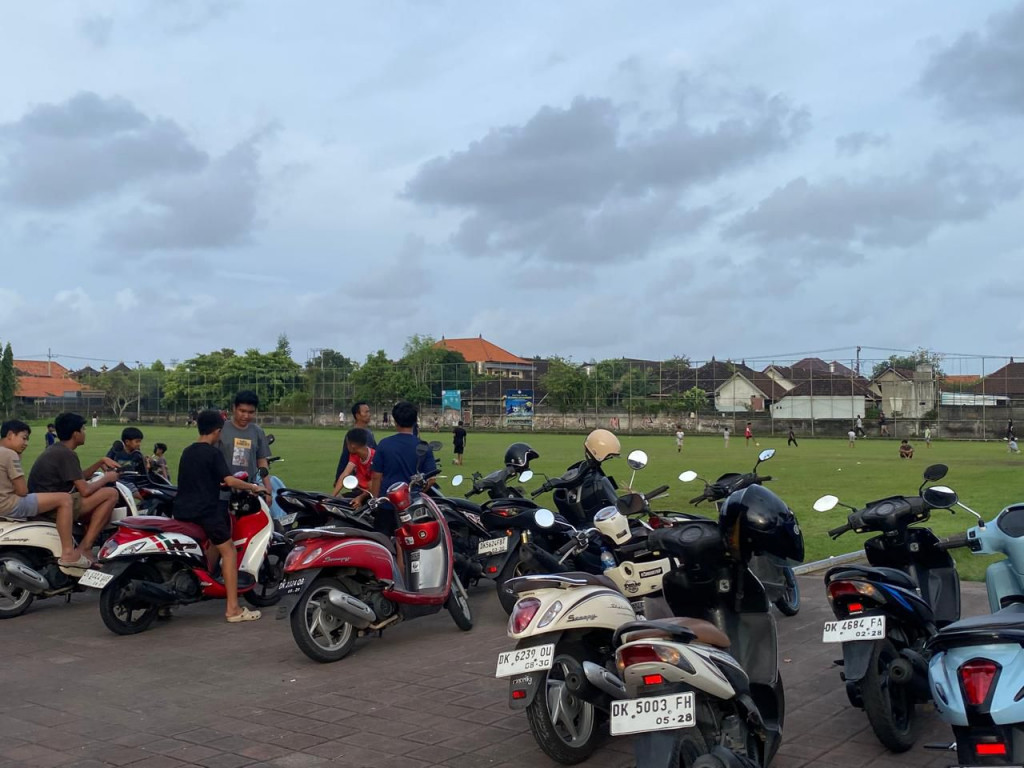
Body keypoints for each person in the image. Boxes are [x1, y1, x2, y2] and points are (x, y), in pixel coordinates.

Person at [173, 410, 263, 623]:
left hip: (182, 510)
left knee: (209, 546)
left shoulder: (188, 451)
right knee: (229, 551)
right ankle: (233, 609)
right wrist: (253, 487)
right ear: (217, 431)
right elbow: (230, 480)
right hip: (206, 512)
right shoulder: (213, 453)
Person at [27, 412, 118, 567]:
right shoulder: (66, 454)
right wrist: (107, 478)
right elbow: (85, 490)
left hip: (44, 503)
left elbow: (78, 476)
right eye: (83, 429)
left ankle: (84, 545)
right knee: (111, 494)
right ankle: (85, 548)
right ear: (75, 434)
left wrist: (100, 462)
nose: (85, 432)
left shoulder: (58, 449)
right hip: (53, 507)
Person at [0, 420, 80, 566]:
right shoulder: (9, 454)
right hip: (10, 505)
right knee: (65, 499)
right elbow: (22, 491)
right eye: (24, 438)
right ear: (10, 435)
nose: (26, 443)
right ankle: (68, 552)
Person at [370, 401, 436, 536]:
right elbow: (431, 479)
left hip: (387, 503)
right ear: (415, 421)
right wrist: (417, 491)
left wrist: (375, 500)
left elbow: (376, 476)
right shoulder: (423, 446)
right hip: (413, 504)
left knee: (384, 540)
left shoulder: (384, 444)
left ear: (395, 421)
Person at [218, 391, 273, 499]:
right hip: (222, 494)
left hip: (250, 492)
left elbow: (261, 461)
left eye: (251, 412)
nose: (246, 416)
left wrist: (268, 489)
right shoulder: (220, 429)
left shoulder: (257, 432)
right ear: (234, 408)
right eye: (242, 411)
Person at [335, 401, 378, 483]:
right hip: (359, 478)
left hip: (371, 476)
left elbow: (375, 451)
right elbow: (345, 456)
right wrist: (338, 478)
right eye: (366, 412)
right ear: (357, 415)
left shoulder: (369, 432)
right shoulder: (353, 434)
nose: (369, 414)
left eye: (369, 412)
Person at [332, 428, 375, 502]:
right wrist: (332, 497)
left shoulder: (375, 458)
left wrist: (360, 498)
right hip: (361, 491)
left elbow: (374, 484)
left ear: (352, 445)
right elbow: (345, 474)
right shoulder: (355, 455)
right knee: (337, 501)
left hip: (372, 493)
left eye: (347, 444)